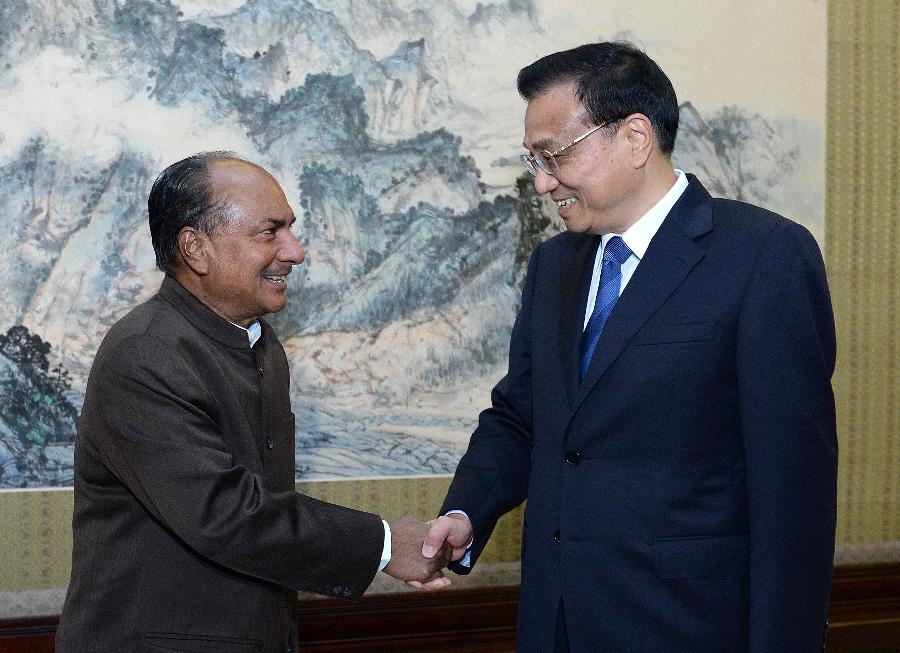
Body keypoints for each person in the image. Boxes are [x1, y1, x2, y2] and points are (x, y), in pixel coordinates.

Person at [422, 42, 837, 652]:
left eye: (553, 155)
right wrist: (464, 514)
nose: (540, 182)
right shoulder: (554, 265)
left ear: (635, 137)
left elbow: (793, 490)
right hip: (556, 623)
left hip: (691, 627)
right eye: (530, 158)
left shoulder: (763, 256)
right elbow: (522, 417)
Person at [56, 153, 450, 652]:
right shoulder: (145, 352)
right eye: (270, 232)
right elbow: (226, 513)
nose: (295, 251)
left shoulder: (260, 344)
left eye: (291, 228)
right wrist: (386, 545)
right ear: (195, 248)